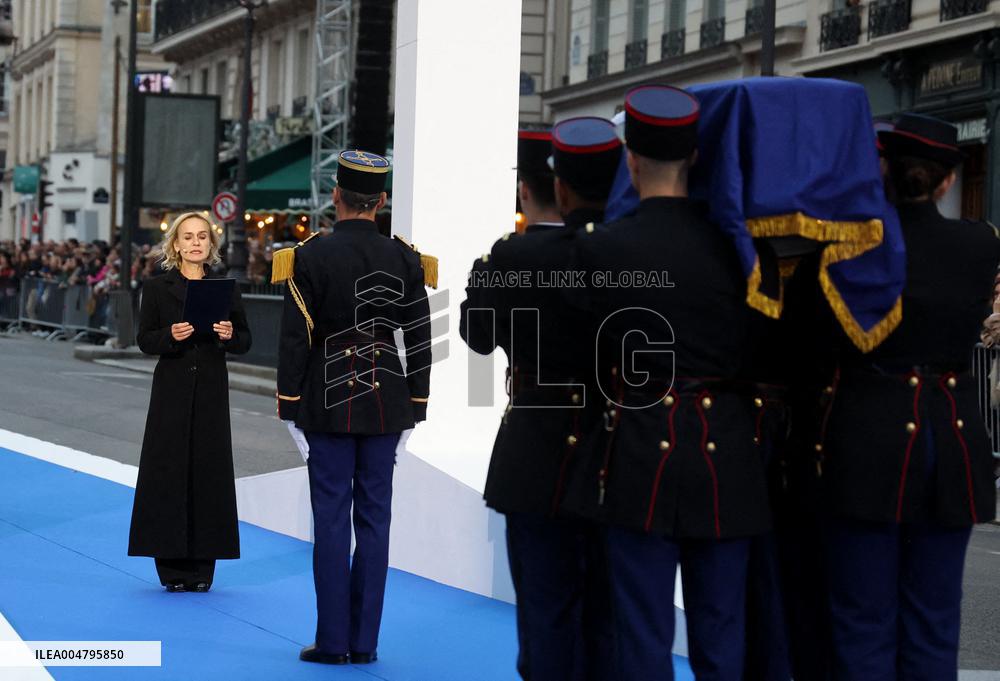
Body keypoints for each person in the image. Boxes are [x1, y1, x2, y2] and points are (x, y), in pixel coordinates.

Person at [561, 84, 770, 681]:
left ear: (630, 161)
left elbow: (585, 356)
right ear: (694, 157)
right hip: (727, 445)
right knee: (722, 632)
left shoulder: (603, 248)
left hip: (636, 445)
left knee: (642, 634)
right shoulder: (738, 248)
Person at [820, 113, 1000, 681]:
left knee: (862, 619)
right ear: (947, 181)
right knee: (934, 620)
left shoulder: (850, 248)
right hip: (950, 442)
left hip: (866, 440)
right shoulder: (980, 243)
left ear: (885, 172)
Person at [460, 121, 621, 681]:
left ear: (528, 190)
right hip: (615, 444)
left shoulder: (512, 257)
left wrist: (482, 280)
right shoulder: (624, 252)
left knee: (545, 610)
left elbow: (478, 337)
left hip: (535, 445)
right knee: (606, 613)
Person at [275, 150, 432, 666]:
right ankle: (365, 643)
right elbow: (420, 339)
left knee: (331, 521)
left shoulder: (309, 255)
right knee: (375, 520)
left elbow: (295, 339)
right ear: (380, 200)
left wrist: (289, 402)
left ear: (336, 196)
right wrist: (417, 402)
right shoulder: (405, 258)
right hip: (387, 399)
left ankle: (332, 641)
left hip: (326, 398)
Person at [128, 212, 252, 592]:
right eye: (188, 237)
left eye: (202, 236)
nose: (195, 242)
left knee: (208, 473)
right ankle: (172, 570)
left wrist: (229, 334)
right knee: (167, 472)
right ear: (176, 245)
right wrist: (171, 334)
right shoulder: (156, 287)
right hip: (171, 392)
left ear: (210, 244)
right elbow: (145, 340)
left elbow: (245, 340)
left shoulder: (225, 288)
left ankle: (201, 571)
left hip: (211, 391)